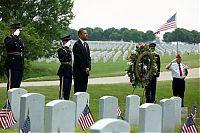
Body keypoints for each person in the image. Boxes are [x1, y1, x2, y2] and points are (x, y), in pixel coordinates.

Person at [4, 23, 24, 91]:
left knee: (18, 83)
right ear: (12, 30)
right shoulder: (9, 38)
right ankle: (10, 100)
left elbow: (21, 50)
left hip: (19, 63)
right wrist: (14, 36)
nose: (19, 31)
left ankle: (16, 99)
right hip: (12, 63)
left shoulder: (19, 40)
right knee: (12, 83)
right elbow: (8, 45)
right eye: (17, 30)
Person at [73, 28, 91, 93]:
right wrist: (85, 68)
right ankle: (78, 103)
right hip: (79, 71)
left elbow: (88, 58)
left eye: (87, 33)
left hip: (85, 72)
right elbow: (79, 59)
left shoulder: (86, 45)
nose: (87, 35)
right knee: (78, 89)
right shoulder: (77, 45)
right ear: (80, 35)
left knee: (84, 88)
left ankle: (83, 102)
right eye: (85, 33)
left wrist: (88, 67)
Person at [57, 35, 72, 100]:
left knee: (68, 86)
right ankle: (62, 98)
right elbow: (63, 58)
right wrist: (65, 47)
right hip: (64, 69)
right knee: (63, 86)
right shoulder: (61, 50)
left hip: (69, 69)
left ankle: (67, 98)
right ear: (64, 42)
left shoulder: (68, 50)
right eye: (67, 41)